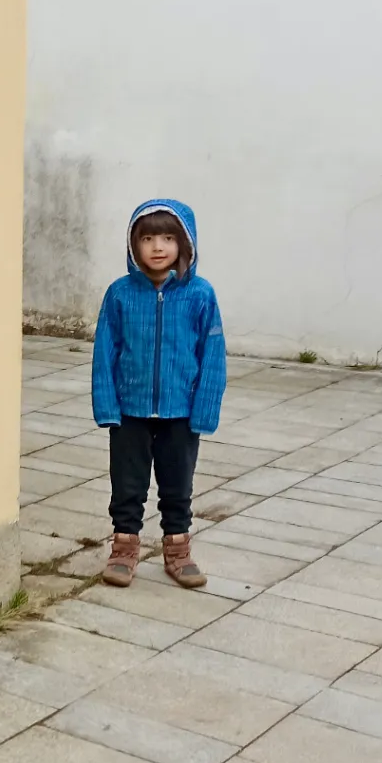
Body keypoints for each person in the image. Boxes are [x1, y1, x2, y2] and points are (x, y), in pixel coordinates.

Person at [91, 199, 227, 589]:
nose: (157, 247)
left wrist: (204, 410)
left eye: (168, 238)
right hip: (130, 410)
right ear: (133, 244)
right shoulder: (120, 294)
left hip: (180, 411)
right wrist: (107, 406)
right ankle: (123, 548)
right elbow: (105, 351)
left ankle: (178, 550)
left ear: (184, 243)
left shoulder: (200, 294)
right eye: (147, 238)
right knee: (127, 484)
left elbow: (212, 354)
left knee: (177, 485)